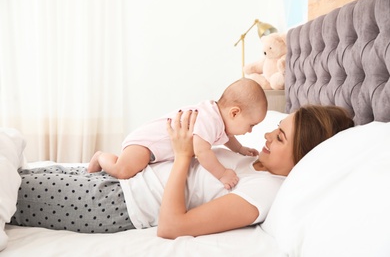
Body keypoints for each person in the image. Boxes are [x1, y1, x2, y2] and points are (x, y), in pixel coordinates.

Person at [10, 105, 354, 236]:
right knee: (14, 173)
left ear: (304, 156)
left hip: (117, 203)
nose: (266, 135)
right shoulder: (254, 159)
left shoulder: (266, 190)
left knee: (11, 190)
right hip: (117, 179)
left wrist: (182, 153)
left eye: (279, 136)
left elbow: (173, 226)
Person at [87, 78, 268, 189]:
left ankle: (104, 158)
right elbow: (202, 152)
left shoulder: (218, 120)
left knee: (131, 170)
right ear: (234, 113)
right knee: (122, 170)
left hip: (153, 150)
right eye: (251, 124)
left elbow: (229, 139)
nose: (251, 130)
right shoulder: (209, 119)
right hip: (147, 143)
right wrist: (222, 174)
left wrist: (241, 149)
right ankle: (100, 157)